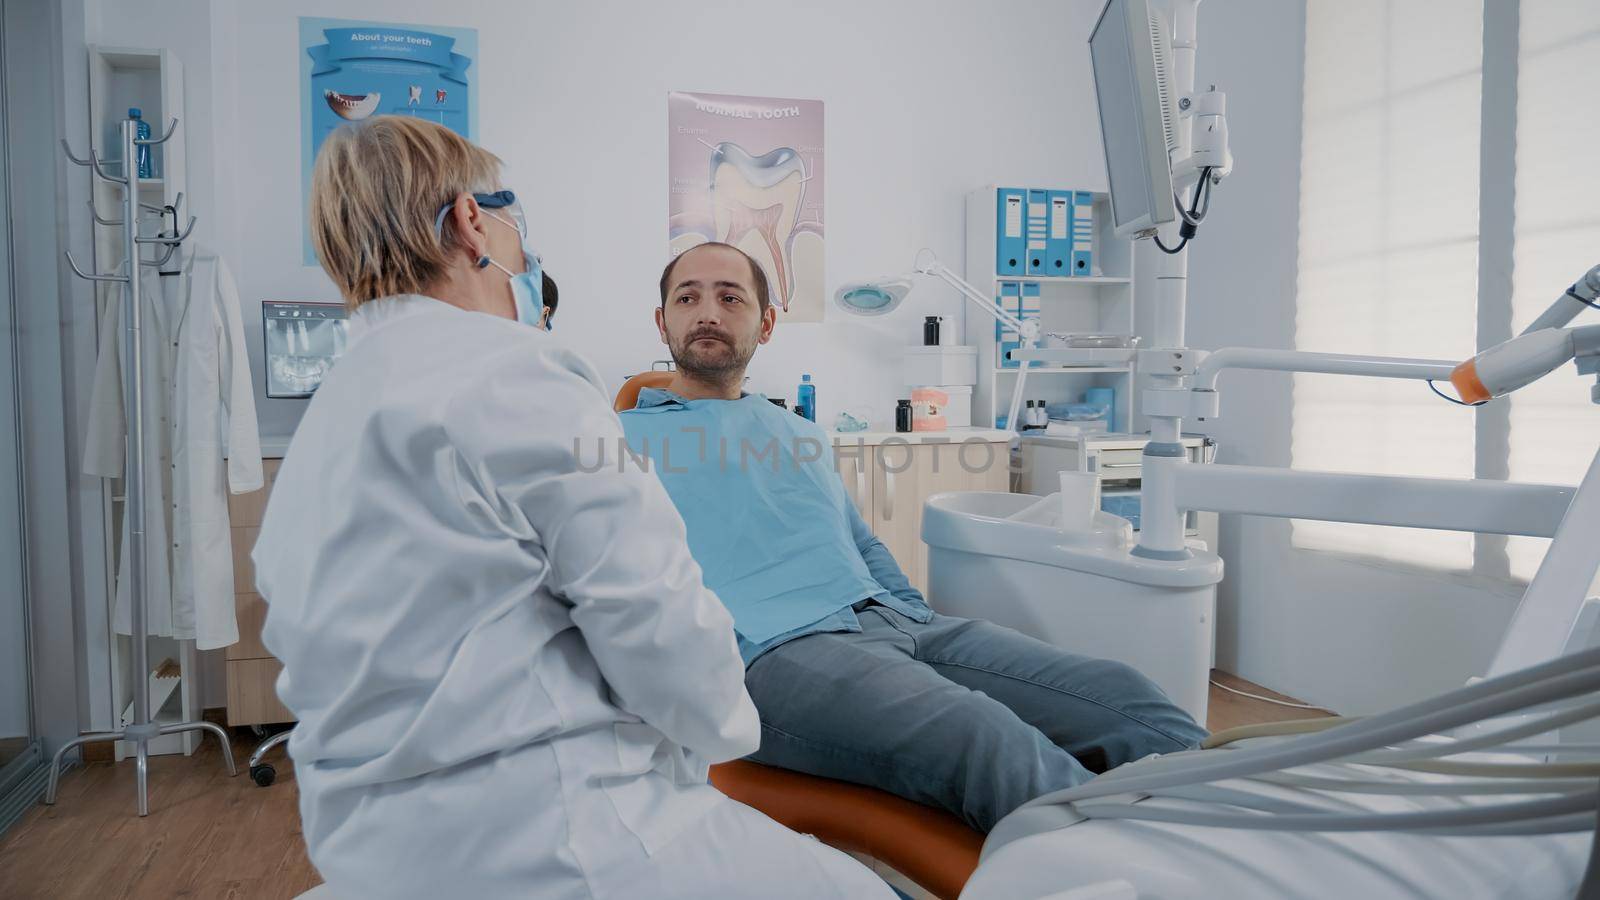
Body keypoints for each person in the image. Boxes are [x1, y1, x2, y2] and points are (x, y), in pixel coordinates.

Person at [252, 119, 892, 899]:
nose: (527, 255)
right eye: (517, 226)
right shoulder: (519, 373)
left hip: (368, 852)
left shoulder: (331, 416)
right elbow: (665, 633)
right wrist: (722, 732)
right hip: (555, 840)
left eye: (731, 295)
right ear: (469, 220)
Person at [620, 241, 1209, 833]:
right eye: (687, 297)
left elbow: (861, 543)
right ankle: (1153, 873)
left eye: (730, 297)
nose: (708, 313)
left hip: (894, 621)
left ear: (766, 322)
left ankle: (1254, 837)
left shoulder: (799, 432)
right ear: (662, 320)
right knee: (987, 738)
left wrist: (918, 621)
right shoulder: (619, 440)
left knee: (1127, 700)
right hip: (777, 651)